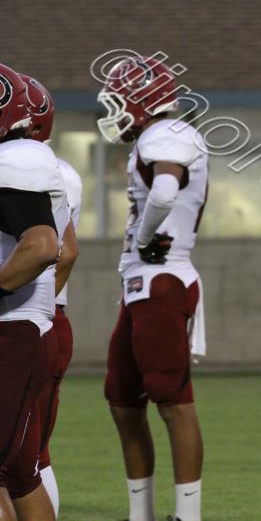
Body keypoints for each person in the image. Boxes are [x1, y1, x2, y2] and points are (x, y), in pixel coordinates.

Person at [97, 55, 208, 521]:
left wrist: (144, 237)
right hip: (142, 282)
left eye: (120, 101)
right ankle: (140, 513)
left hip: (163, 278)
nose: (115, 111)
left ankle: (187, 516)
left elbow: (164, 191)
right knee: (122, 399)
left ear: (143, 100)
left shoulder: (168, 133)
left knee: (172, 401)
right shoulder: (152, 137)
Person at [0, 62, 66, 521]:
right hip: (24, 326)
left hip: (12, 330)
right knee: (22, 471)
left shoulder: (18, 158)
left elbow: (43, 246)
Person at [19, 73, 83, 517]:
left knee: (28, 459)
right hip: (45, 317)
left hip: (31, 317)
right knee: (30, 456)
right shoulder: (54, 168)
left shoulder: (36, 169)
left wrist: (34, 305)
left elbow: (64, 252)